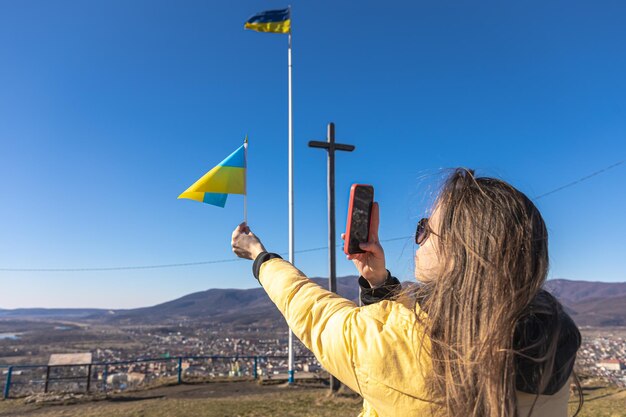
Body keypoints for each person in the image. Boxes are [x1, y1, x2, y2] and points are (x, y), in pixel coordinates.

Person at [231, 168, 582, 417]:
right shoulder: (551, 339)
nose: (417, 238)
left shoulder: (397, 348)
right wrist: (378, 282)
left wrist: (260, 255)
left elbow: (310, 309)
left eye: (424, 229)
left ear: (459, 254)